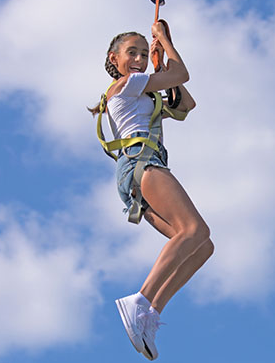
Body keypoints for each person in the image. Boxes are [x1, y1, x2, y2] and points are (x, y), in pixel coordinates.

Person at [88, 21, 214, 361]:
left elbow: (185, 104)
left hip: (136, 173)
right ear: (114, 58)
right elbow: (183, 74)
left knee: (202, 247)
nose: (140, 58)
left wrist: (160, 61)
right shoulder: (128, 84)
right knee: (195, 230)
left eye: (144, 53)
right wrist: (165, 42)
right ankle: (139, 299)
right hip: (141, 162)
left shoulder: (143, 92)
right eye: (133, 52)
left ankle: (149, 313)